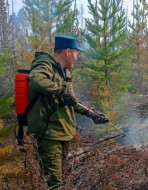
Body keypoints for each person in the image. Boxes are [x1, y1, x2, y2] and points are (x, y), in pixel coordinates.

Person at [27, 35, 109, 189]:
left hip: (62, 132)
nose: (76, 59)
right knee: (53, 184)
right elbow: (36, 79)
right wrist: (60, 91)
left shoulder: (65, 72)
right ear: (67, 52)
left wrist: (91, 114)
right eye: (76, 54)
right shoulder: (43, 63)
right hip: (49, 134)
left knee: (60, 178)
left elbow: (71, 100)